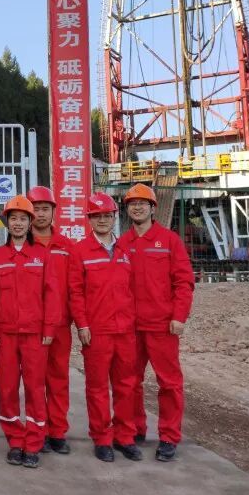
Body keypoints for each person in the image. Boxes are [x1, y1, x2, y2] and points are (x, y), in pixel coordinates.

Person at [0, 195, 60, 469]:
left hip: (35, 334)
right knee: (7, 389)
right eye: (13, 218)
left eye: (23, 219)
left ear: (30, 223)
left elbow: (52, 294)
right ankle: (15, 441)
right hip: (5, 335)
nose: (18, 223)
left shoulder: (42, 256)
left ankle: (34, 442)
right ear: (7, 222)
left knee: (35, 388)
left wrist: (49, 327)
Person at [118, 183, 194, 462]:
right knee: (129, 382)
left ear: (153, 208)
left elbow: (184, 282)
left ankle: (169, 437)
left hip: (162, 326)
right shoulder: (122, 244)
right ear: (127, 209)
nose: (137, 207)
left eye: (143, 203)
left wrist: (178, 316)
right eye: (132, 204)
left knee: (169, 384)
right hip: (129, 327)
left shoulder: (169, 241)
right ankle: (135, 429)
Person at [69, 192, 140, 463]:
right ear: (89, 219)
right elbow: (75, 292)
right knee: (97, 387)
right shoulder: (80, 251)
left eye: (107, 216)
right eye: (96, 216)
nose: (102, 220)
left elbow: (132, 289)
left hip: (125, 331)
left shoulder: (124, 250)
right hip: (97, 332)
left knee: (126, 385)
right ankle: (102, 438)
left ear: (114, 218)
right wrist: (82, 324)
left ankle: (125, 436)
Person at [27, 185, 75, 455]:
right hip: (31, 325)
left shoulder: (66, 247)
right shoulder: (21, 245)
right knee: (34, 381)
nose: (40, 214)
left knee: (58, 379)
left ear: (54, 212)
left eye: (45, 209)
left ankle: (57, 431)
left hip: (60, 326)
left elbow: (76, 287)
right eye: (35, 209)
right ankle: (38, 428)